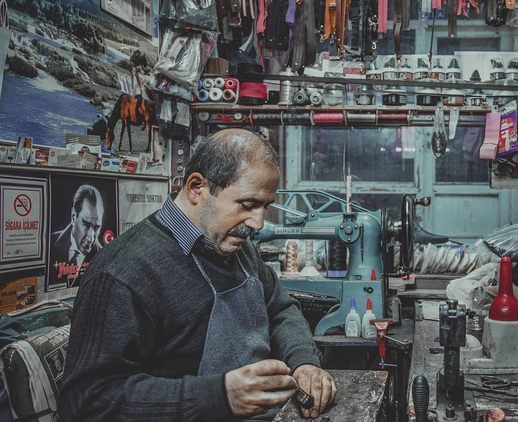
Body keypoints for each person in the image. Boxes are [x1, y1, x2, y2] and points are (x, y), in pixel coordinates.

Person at [59, 129, 336, 421]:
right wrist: (218, 396)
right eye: (248, 205)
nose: (257, 223)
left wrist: (304, 362)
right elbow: (86, 400)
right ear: (196, 188)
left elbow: (280, 309)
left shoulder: (236, 248)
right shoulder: (123, 273)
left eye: (264, 207)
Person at [49, 184, 104, 288]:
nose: (91, 237)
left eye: (96, 227)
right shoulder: (50, 243)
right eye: (86, 224)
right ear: (74, 217)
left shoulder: (103, 257)